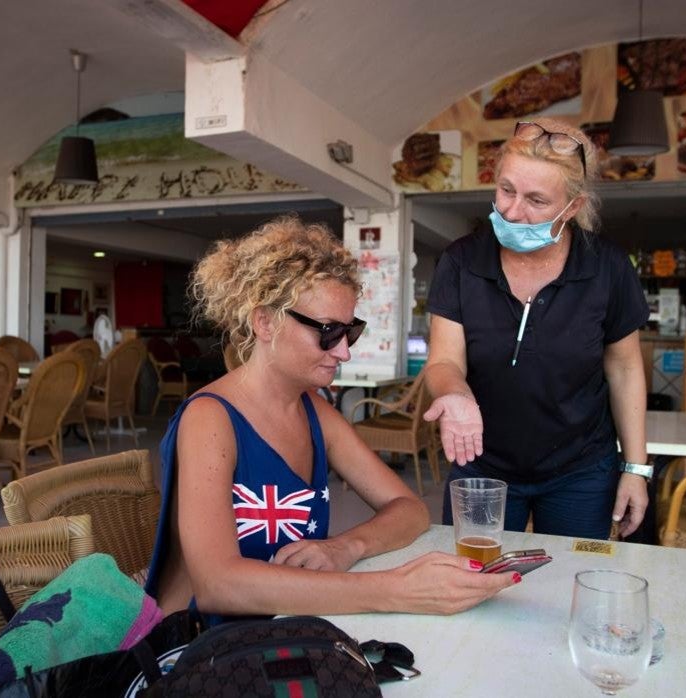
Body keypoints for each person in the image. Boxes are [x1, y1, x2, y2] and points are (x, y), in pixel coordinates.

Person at [144, 216, 516, 624]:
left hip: (282, 630)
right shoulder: (210, 419)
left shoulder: (315, 413)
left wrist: (345, 547)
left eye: (349, 332)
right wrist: (395, 589)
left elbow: (410, 508)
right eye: (326, 332)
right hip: (199, 650)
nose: (343, 353)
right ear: (265, 321)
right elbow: (219, 586)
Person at [424, 118, 651, 540]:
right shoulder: (461, 262)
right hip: (482, 464)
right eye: (506, 190)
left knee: (569, 587)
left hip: (580, 469)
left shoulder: (607, 268)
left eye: (536, 200)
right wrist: (455, 394)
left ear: (573, 207)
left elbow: (624, 370)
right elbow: (443, 360)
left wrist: (635, 468)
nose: (512, 211)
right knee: (473, 577)